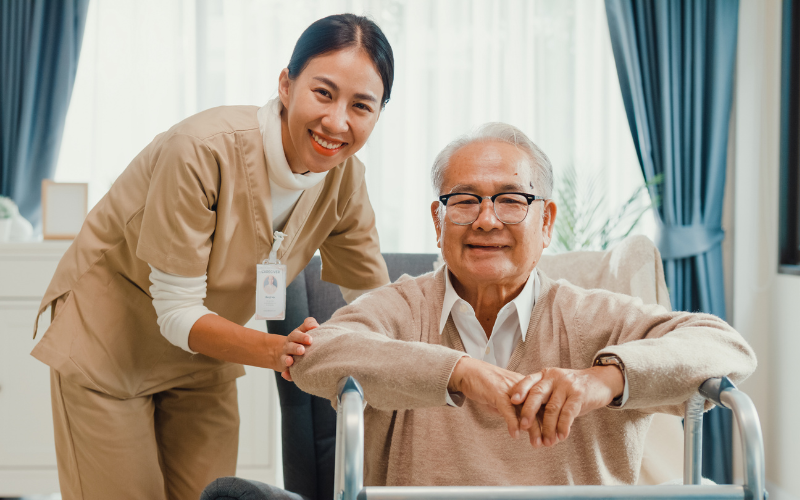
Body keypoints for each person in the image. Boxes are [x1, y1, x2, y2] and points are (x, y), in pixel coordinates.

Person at [31, 14, 394, 500]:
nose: (337, 122)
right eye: (323, 93)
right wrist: (280, 351)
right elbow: (177, 310)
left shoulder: (346, 181)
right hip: (110, 342)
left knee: (210, 495)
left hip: (205, 355)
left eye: (361, 105)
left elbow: (373, 299)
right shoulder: (201, 151)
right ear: (287, 85)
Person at [286, 122, 757, 487]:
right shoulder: (402, 308)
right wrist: (462, 373)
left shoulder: (593, 315)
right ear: (439, 219)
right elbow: (319, 353)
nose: (487, 220)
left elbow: (726, 347)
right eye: (464, 201)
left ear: (547, 220)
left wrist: (603, 380)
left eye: (511, 200)